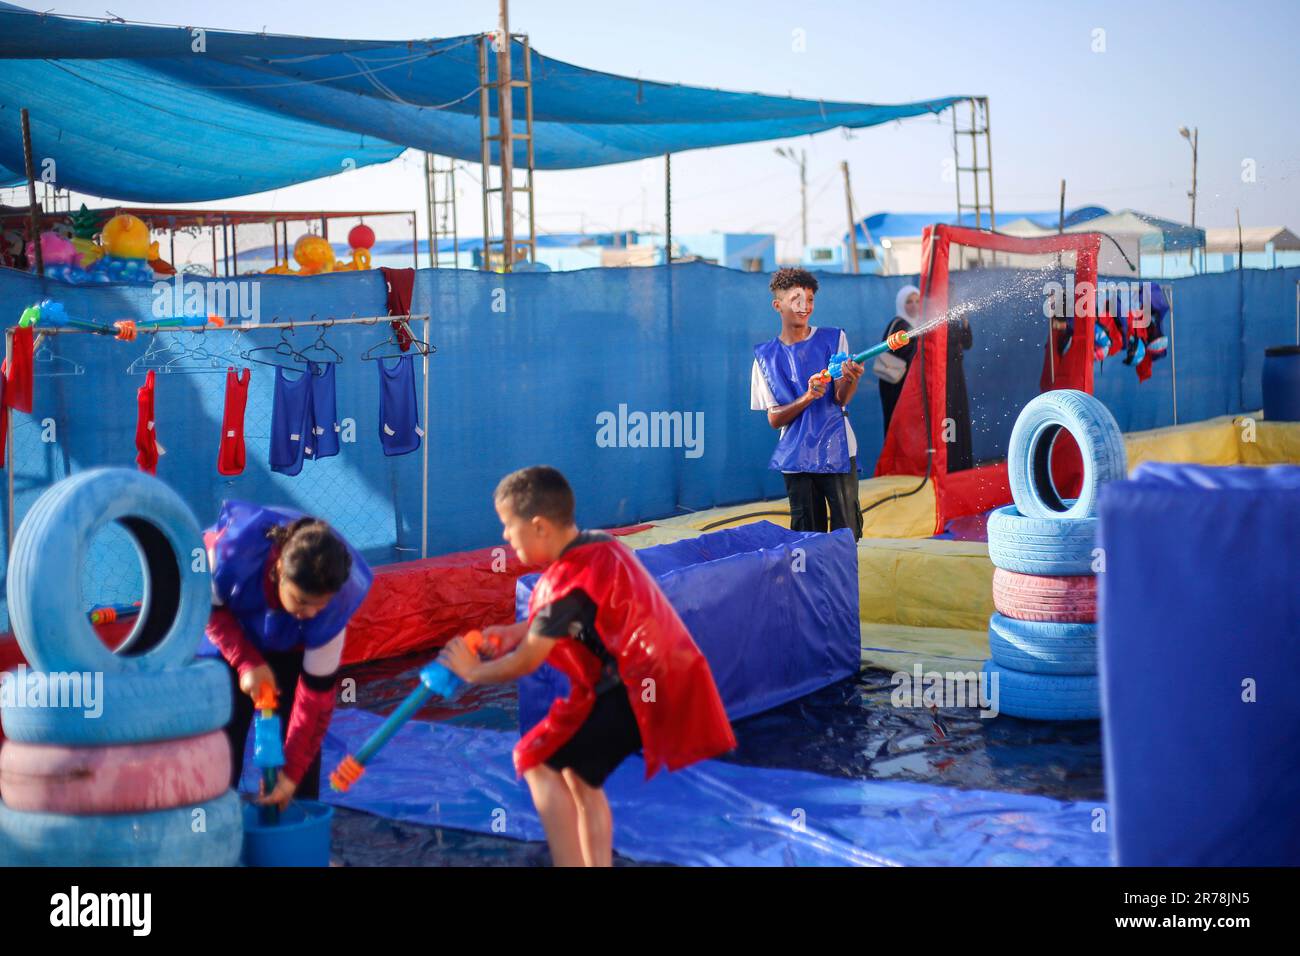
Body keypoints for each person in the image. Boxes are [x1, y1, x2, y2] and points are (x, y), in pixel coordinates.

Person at [438, 466, 735, 867]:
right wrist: (516, 630)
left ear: (539, 526)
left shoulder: (565, 587)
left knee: (538, 760)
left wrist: (471, 672)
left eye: (509, 526)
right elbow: (583, 614)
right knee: (580, 779)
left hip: (633, 688)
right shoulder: (598, 545)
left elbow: (527, 661)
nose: (505, 537)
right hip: (661, 676)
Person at [201, 502, 373, 810]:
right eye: (302, 601)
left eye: (319, 605)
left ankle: (299, 826)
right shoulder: (231, 555)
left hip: (291, 644)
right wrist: (245, 662)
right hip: (235, 626)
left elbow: (315, 703)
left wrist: (290, 777)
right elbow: (210, 612)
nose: (310, 613)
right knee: (225, 729)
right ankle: (214, 825)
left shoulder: (332, 609)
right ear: (279, 569)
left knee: (301, 755)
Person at [751, 267, 864, 538]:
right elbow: (774, 419)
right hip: (796, 458)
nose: (805, 307)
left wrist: (852, 379)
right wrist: (807, 397)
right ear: (778, 306)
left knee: (846, 533)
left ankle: (842, 581)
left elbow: (840, 398)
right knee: (806, 535)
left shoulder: (835, 338)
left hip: (837, 449)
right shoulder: (765, 357)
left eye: (810, 299)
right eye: (796, 299)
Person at [878, 285, 921, 433]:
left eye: (917, 300)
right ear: (901, 304)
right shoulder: (898, 324)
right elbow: (888, 351)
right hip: (896, 386)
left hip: (912, 386)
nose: (914, 305)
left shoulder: (918, 324)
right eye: (909, 301)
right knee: (898, 428)